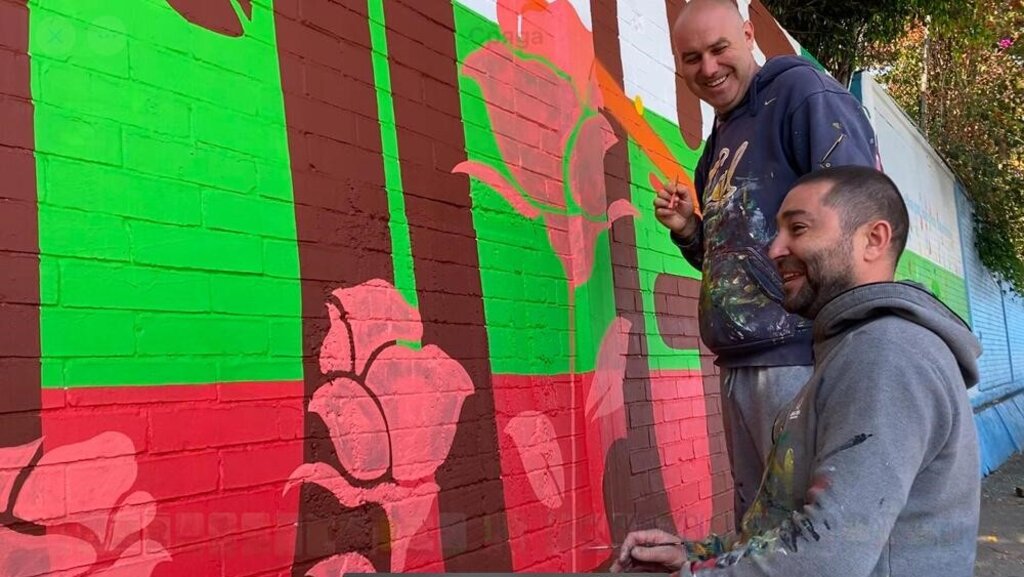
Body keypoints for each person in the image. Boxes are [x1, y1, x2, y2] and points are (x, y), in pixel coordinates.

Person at [614, 166, 981, 577]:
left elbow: (828, 556)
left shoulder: (887, 354)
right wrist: (697, 554)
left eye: (799, 229)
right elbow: (790, 529)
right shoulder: (851, 349)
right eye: (778, 231)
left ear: (873, 240)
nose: (774, 249)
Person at [658, 0, 880, 521]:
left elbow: (863, 218)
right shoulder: (718, 143)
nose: (708, 68)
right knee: (761, 527)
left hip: (800, 359)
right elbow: (733, 262)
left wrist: (848, 352)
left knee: (803, 528)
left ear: (748, 33)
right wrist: (691, 230)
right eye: (692, 58)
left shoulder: (803, 95)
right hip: (739, 363)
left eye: (719, 49)